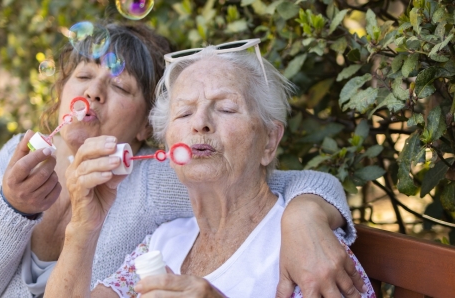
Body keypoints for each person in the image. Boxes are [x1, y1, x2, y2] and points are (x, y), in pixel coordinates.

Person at [0, 23, 362, 298]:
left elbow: (259, 182)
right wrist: (13, 210)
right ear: (63, 92)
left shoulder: (150, 175)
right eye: (84, 77)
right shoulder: (19, 157)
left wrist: (304, 216)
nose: (94, 93)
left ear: (146, 128)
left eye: (120, 87)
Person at [45, 40, 375, 298]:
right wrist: (82, 226)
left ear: (269, 142)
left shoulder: (306, 248)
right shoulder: (162, 243)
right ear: (167, 145)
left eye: (227, 109)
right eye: (184, 113)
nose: (200, 123)